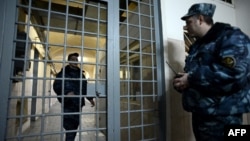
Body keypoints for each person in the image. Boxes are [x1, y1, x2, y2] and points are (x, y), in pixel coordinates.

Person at [173, 3, 250, 141]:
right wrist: (183, 82)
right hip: (201, 112)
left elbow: (234, 73)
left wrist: (190, 79)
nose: (186, 26)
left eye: (189, 22)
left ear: (201, 19)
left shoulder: (231, 37)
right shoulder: (197, 46)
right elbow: (196, 74)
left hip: (223, 116)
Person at [53, 52, 95, 141]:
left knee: (75, 125)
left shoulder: (81, 74)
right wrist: (66, 93)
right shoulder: (63, 73)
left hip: (78, 104)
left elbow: (85, 87)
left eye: (76, 60)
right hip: (68, 103)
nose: (75, 61)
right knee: (69, 126)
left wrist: (90, 99)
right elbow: (56, 85)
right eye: (72, 59)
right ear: (68, 61)